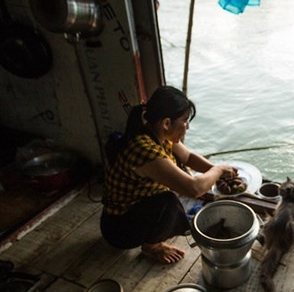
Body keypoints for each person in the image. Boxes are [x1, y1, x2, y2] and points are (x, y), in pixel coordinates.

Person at [101, 86, 237, 264]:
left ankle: (151, 236)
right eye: (185, 120)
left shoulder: (154, 129)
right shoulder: (144, 149)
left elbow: (188, 157)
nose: (187, 126)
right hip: (119, 229)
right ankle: (151, 246)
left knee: (172, 200)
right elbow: (193, 188)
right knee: (169, 203)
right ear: (166, 123)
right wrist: (218, 170)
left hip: (132, 210)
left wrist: (220, 172)